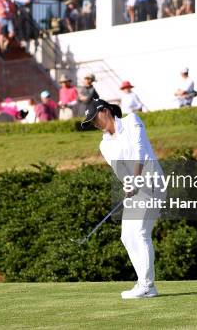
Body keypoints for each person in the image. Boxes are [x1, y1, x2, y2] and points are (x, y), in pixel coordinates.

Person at [80, 98, 162, 299]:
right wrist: (129, 184)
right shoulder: (104, 145)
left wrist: (135, 180)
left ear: (105, 111)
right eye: (90, 122)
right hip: (135, 188)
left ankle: (146, 284)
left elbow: (140, 150)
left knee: (141, 232)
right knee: (127, 235)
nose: (94, 124)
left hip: (152, 182)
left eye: (94, 118)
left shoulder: (132, 120)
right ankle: (145, 285)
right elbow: (120, 170)